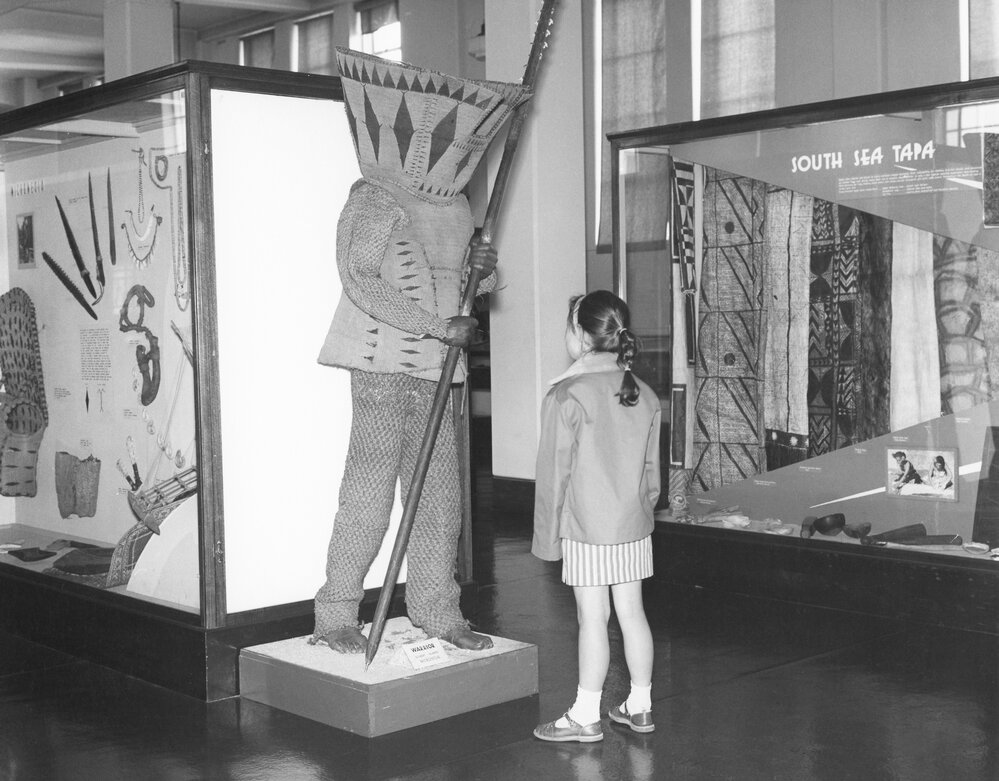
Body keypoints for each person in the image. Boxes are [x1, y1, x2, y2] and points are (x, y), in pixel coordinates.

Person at [312, 48, 531, 655]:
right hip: (383, 370)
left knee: (438, 501)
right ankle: (335, 614)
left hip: (440, 374)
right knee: (369, 494)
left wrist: (484, 271)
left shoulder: (455, 206)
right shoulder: (374, 198)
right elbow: (359, 279)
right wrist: (438, 326)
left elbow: (463, 284)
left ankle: (437, 609)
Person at [531, 291, 662, 742]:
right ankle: (639, 706)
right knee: (633, 613)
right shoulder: (644, 394)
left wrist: (547, 541)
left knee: (593, 618)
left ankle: (585, 714)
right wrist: (640, 515)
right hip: (632, 526)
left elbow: (553, 477)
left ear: (583, 336)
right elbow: (652, 478)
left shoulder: (566, 394)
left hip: (586, 528)